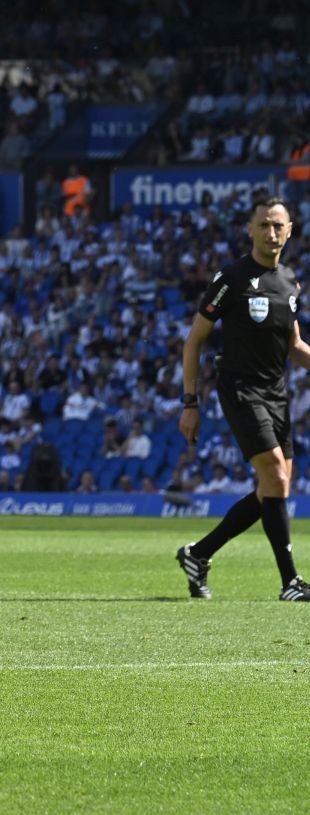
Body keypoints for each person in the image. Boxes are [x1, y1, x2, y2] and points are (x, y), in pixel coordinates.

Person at [176, 196, 310, 602]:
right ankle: (291, 582)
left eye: (278, 226)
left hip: (275, 392)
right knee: (276, 476)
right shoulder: (231, 277)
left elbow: (295, 345)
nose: (271, 232)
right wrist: (189, 402)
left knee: (273, 489)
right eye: (264, 225)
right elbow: (193, 341)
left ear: (290, 231)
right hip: (239, 388)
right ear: (250, 230)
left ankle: (198, 554)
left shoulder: (290, 283)